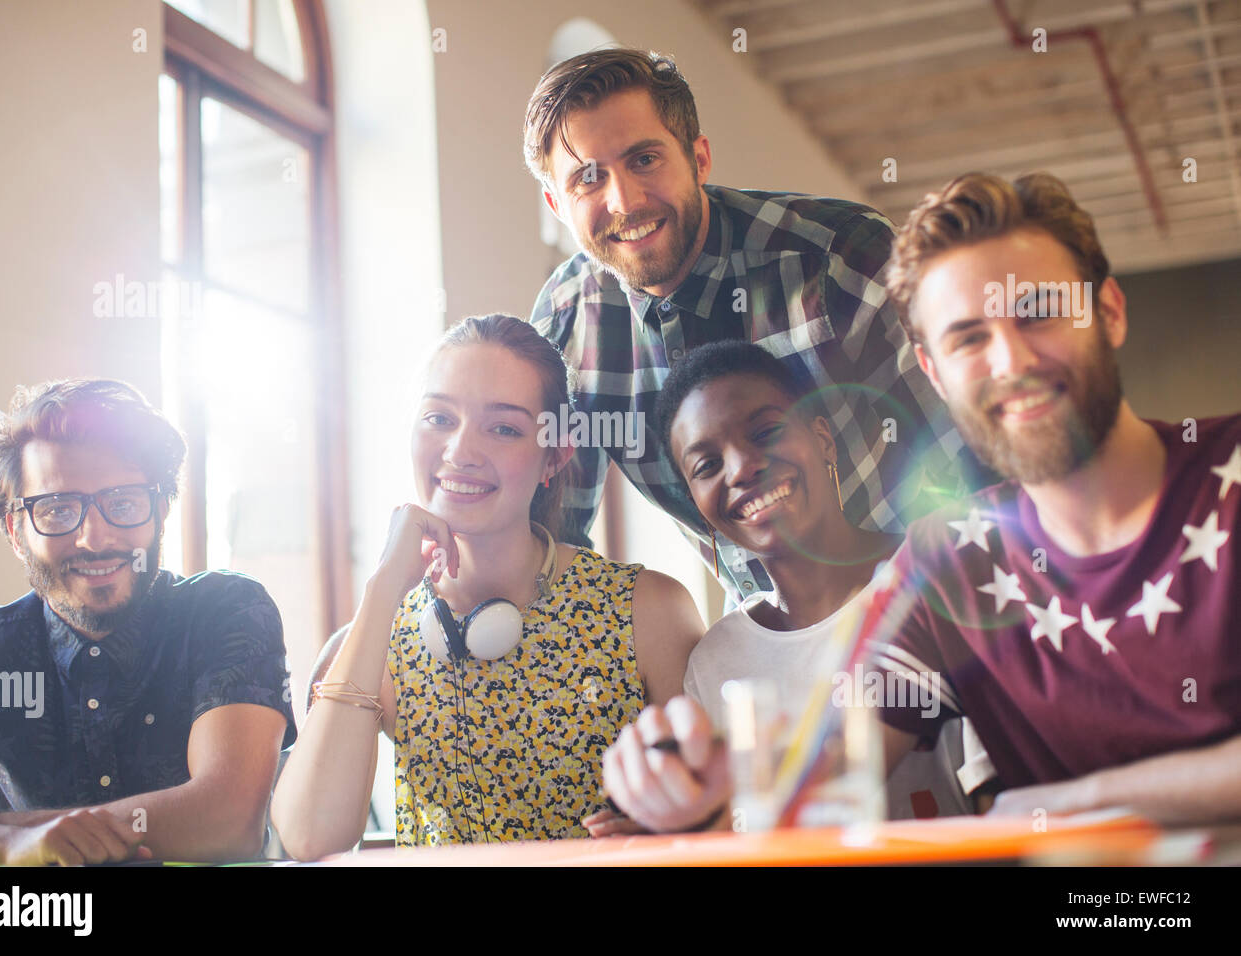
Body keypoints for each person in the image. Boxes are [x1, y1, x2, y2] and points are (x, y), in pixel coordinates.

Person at [617, 171, 1240, 828]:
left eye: (1037, 312)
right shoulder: (950, 561)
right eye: (969, 337)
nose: (1010, 360)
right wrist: (701, 798)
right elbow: (825, 778)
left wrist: (1069, 802)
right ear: (935, 371)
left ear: (1108, 312)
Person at [525, 48, 981, 602]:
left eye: (644, 159)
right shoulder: (567, 323)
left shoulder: (840, 255)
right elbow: (550, 543)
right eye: (588, 179)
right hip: (759, 640)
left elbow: (970, 460)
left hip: (917, 600)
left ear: (699, 158)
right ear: (555, 203)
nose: (624, 201)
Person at [270, 314, 704, 857]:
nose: (460, 452)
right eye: (438, 418)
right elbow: (309, 837)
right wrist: (383, 588)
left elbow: (723, 817)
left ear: (556, 455)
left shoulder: (647, 610)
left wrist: (677, 831)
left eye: (503, 428)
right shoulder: (377, 637)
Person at [591, 342, 991, 834]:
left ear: (823, 439)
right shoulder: (719, 657)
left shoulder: (937, 578)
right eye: (706, 466)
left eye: (766, 432)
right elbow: (734, 835)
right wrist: (676, 834)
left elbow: (1002, 799)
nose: (740, 469)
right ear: (697, 505)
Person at [0, 379, 296, 864]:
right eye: (58, 508)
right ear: (16, 530)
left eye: (124, 502)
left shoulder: (226, 612)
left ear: (162, 510)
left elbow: (227, 819)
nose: (95, 537)